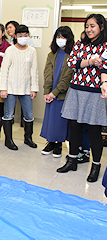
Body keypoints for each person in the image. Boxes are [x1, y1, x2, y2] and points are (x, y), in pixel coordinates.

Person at [57, 14, 107, 183]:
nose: (89, 29)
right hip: (76, 90)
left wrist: (84, 62)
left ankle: (96, 165)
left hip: (94, 93)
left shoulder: (106, 46)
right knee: (74, 127)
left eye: (92, 26)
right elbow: (72, 62)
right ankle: (72, 160)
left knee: (94, 131)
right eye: (87, 26)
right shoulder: (80, 44)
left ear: (101, 26)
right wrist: (91, 61)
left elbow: (104, 67)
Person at [0, 24, 39, 150]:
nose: (23, 37)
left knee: (29, 115)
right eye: (20, 35)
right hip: (10, 88)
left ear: (28, 36)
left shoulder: (32, 51)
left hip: (26, 88)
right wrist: (3, 88)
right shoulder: (10, 50)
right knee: (8, 114)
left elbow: (34, 71)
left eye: (25, 35)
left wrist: (34, 88)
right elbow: (4, 70)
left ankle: (28, 138)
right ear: (15, 36)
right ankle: (8, 140)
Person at [40, 26, 74, 158]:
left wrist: (54, 92)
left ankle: (59, 144)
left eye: (63, 37)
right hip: (50, 93)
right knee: (50, 118)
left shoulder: (72, 55)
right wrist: (47, 92)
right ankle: (50, 142)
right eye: (58, 37)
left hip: (62, 94)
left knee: (60, 120)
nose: (60, 40)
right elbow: (47, 74)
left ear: (69, 39)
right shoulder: (51, 55)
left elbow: (67, 77)